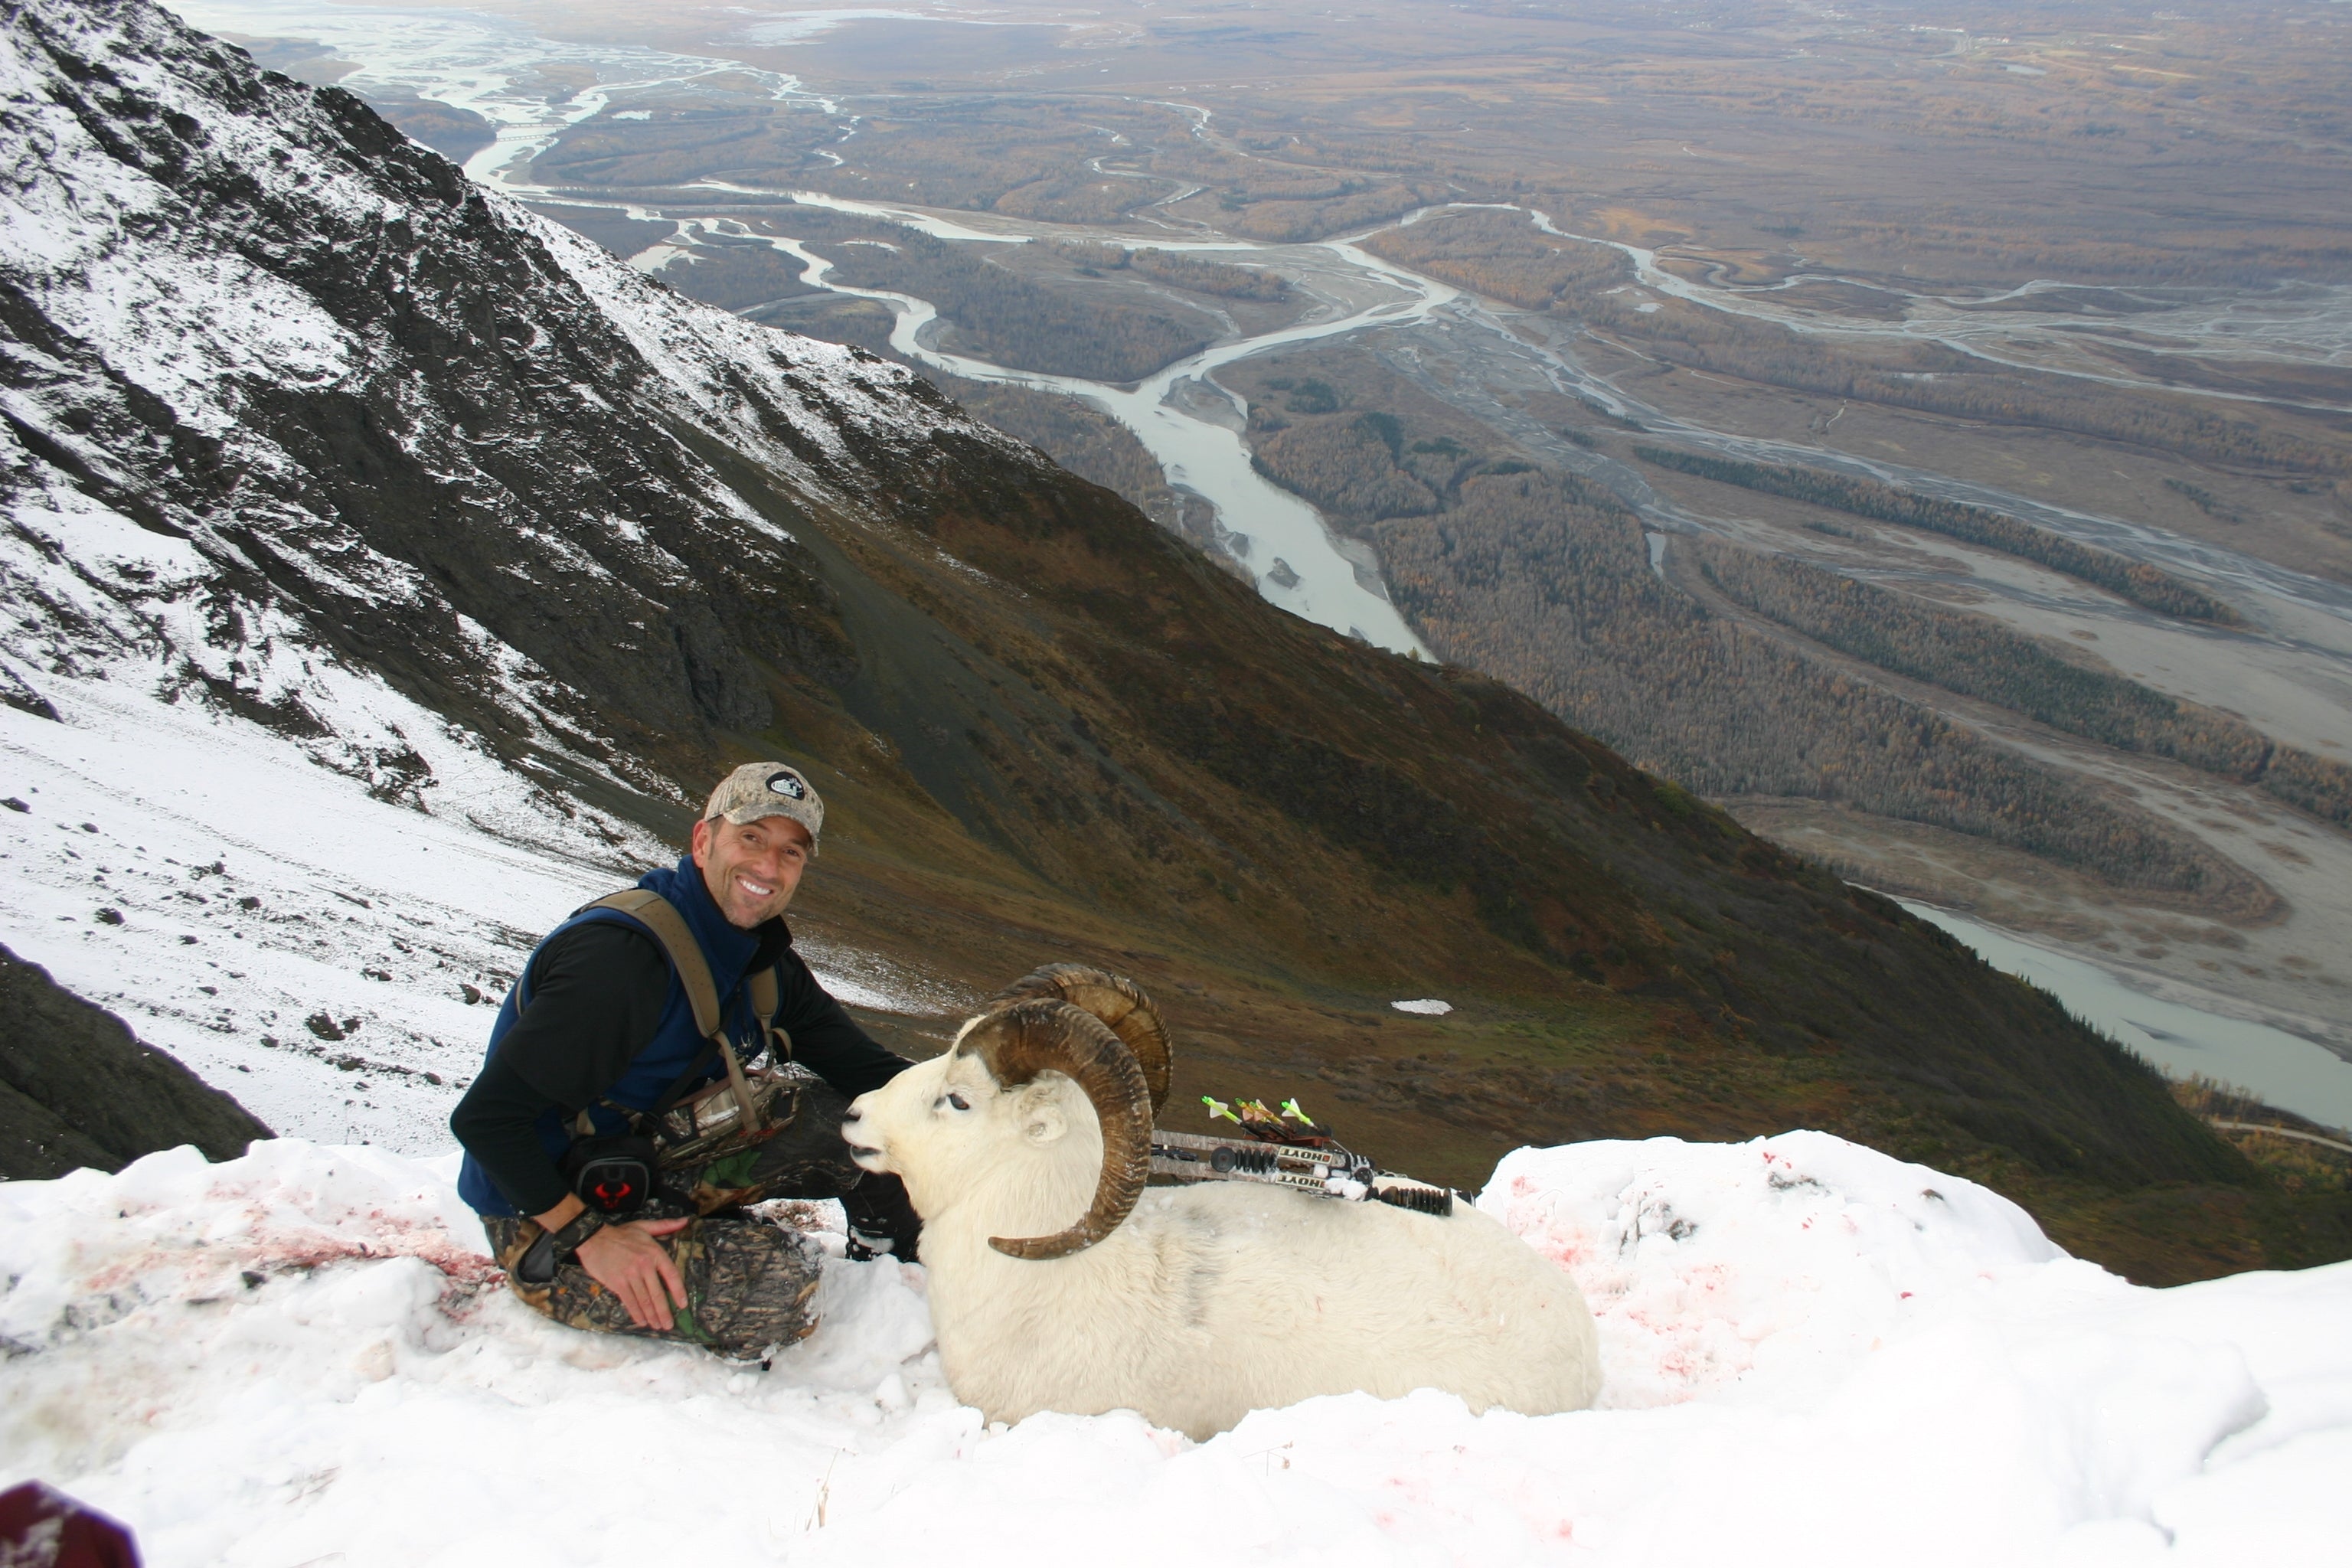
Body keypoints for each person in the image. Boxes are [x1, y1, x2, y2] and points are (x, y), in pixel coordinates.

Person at [452, 761, 920, 1358]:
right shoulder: (619, 962)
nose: (768, 868)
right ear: (703, 841)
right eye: (751, 839)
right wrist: (589, 1236)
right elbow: (485, 1122)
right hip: (542, 1209)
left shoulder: (761, 963)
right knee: (774, 1289)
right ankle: (593, 1262)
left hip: (645, 1161)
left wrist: (1000, 1095)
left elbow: (872, 1074)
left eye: (791, 852)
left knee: (864, 1120)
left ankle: (893, 1262)